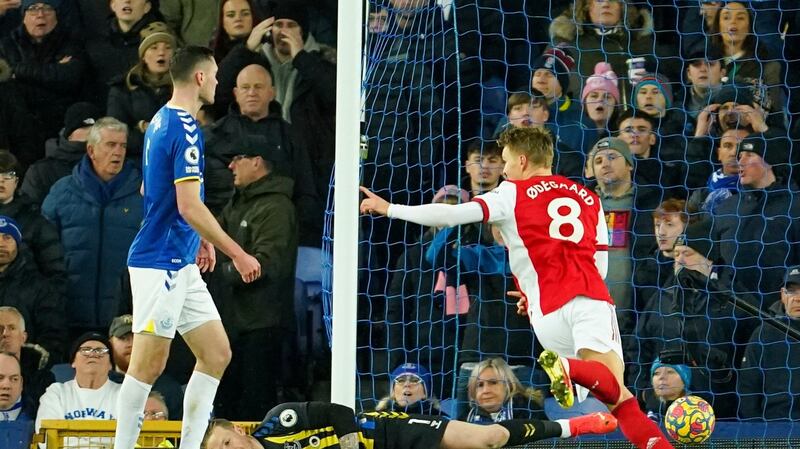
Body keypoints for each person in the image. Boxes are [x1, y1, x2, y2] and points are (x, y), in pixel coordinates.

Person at [360, 126, 676, 449]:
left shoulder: (510, 193)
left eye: (507, 161)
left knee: (618, 400)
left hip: (544, 316)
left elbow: (453, 213)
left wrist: (391, 209)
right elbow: (601, 262)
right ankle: (570, 368)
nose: (505, 170)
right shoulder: (590, 198)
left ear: (523, 160)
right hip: (587, 298)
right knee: (615, 390)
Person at [113, 45, 261, 449]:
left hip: (179, 260)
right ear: (199, 78)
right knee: (148, 365)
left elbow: (150, 188)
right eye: (214, 75)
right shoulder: (184, 127)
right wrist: (237, 251)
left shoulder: (160, 121)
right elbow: (189, 204)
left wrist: (195, 239)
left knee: (215, 354)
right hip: (159, 262)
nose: (217, 82)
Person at [212, 136, 298, 420]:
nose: (231, 165)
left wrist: (220, 273)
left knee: (254, 406)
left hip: (262, 325)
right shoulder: (238, 204)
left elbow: (270, 264)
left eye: (238, 158)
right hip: (234, 323)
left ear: (257, 162)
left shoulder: (275, 207)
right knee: (227, 403)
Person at [41, 117, 143, 336]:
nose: (118, 152)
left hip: (126, 316)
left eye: (123, 145)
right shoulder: (62, 192)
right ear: (91, 150)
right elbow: (43, 250)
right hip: (69, 313)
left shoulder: (143, 193)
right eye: (110, 145)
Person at [202, 400, 619, 449]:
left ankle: (576, 426)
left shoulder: (278, 423)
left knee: (487, 438)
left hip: (382, 432)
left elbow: (335, 412)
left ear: (237, 431)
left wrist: (348, 445)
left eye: (223, 445)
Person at [0, 0, 86, 143]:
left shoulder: (70, 44)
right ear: (23, 17)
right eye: (33, 9)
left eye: (47, 9)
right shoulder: (6, 45)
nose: (40, 15)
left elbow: (68, 78)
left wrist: (17, 70)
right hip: (16, 128)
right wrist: (50, 73)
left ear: (57, 16)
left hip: (56, 126)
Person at [35, 332, 119, 448]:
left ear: (110, 364)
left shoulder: (123, 394)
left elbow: (132, 438)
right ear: (73, 362)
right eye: (86, 350)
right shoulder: (57, 393)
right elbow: (46, 441)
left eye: (101, 351)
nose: (93, 354)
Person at [107, 22, 177, 160]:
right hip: (135, 162)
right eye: (154, 47)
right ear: (143, 56)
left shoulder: (185, 87)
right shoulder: (123, 89)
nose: (161, 52)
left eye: (168, 48)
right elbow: (116, 133)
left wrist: (145, 127)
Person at [738, 265, 800, 420]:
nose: (798, 298)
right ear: (782, 295)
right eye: (792, 291)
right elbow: (748, 387)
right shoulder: (764, 333)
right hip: (775, 426)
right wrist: (756, 431)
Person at [0, 218, 65, 362]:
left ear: (17, 243)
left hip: (25, 370)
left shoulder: (40, 288)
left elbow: (52, 336)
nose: (1, 243)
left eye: (7, 237)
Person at [0, 151, 66, 285]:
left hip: (24, 302)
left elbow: (56, 274)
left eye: (8, 174)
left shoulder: (35, 222)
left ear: (16, 181)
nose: (1, 179)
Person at [20, 101, 101, 205]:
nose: (91, 133)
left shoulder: (114, 165)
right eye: (84, 127)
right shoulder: (41, 172)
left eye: (96, 129)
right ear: (69, 134)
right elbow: (27, 215)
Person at [107, 314, 184, 419]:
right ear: (110, 344)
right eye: (123, 338)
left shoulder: (169, 388)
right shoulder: (103, 383)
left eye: (136, 337)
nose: (131, 344)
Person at [464, 358, 544, 423]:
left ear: (508, 385)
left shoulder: (528, 411)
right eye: (480, 385)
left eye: (493, 383)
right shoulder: (467, 417)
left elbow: (546, 442)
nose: (486, 390)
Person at [375, 363, 446, 416]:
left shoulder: (442, 420)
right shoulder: (376, 417)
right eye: (401, 380)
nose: (407, 384)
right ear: (392, 392)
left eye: (414, 380)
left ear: (425, 392)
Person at [582, 62, 620, 139]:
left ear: (615, 105)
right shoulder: (573, 135)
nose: (600, 100)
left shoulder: (623, 137)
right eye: (594, 96)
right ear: (584, 103)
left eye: (607, 97)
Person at [0, 351, 35, 421]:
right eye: (0, 378)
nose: (6, 386)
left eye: (14, 379)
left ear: (21, 384)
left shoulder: (37, 416)